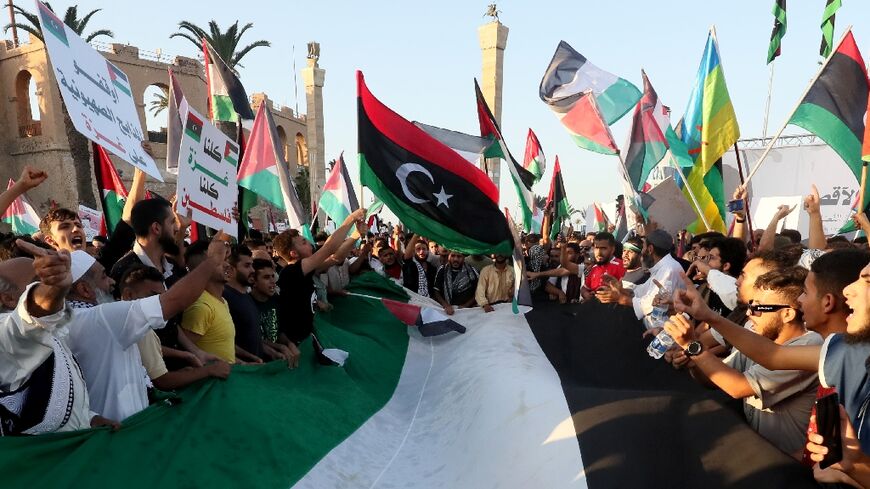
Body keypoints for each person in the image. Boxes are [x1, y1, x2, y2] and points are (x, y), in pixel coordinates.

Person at [671, 251, 870, 456]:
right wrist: (693, 353)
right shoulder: (839, 348)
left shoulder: (822, 345)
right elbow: (771, 357)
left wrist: (694, 344)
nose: (800, 301)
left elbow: (741, 383)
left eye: (806, 292)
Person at [61, 237, 228, 423]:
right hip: (120, 428)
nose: (111, 282)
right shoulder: (100, 317)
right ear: (84, 289)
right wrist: (212, 261)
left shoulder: (68, 319)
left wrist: (188, 354)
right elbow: (175, 301)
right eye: (103, 276)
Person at [665, 267, 822, 456]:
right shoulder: (755, 336)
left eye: (758, 308)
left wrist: (693, 347)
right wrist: (691, 361)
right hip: (754, 449)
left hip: (786, 466)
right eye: (750, 306)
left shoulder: (807, 345)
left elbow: (737, 387)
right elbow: (715, 379)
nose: (749, 314)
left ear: (787, 314)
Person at [0, 241, 119, 434]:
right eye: (36, 280)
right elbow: (27, 321)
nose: (44, 283)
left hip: (73, 450)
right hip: (41, 459)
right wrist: (53, 287)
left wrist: (90, 418)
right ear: (9, 299)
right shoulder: (7, 333)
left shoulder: (50, 331)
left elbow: (55, 394)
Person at [118, 265, 231, 391]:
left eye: (161, 297)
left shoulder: (116, 317)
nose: (159, 303)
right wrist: (209, 370)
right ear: (128, 294)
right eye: (153, 296)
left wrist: (189, 356)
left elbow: (146, 350)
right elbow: (163, 381)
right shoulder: (139, 326)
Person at [272, 208, 366, 344]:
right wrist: (351, 218)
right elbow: (329, 248)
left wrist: (356, 235)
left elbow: (335, 258)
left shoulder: (305, 270)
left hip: (309, 336)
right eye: (304, 243)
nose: (310, 244)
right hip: (297, 343)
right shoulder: (291, 272)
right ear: (293, 253)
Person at [180, 239, 261, 365]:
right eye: (219, 261)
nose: (227, 265)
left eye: (226, 259)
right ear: (204, 268)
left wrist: (243, 363)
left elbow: (220, 344)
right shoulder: (201, 307)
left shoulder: (222, 301)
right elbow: (189, 353)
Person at [596, 229, 686, 328]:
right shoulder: (662, 268)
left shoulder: (669, 269)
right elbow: (641, 292)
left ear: (650, 249)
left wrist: (620, 298)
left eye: (643, 247)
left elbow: (650, 304)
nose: (642, 252)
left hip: (661, 332)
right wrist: (620, 288)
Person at [223, 245, 265, 362]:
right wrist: (246, 362)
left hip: (255, 370)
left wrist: (273, 350)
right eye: (247, 266)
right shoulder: (226, 298)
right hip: (241, 373)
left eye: (252, 265)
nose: (252, 270)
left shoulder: (246, 295)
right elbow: (224, 343)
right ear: (230, 269)